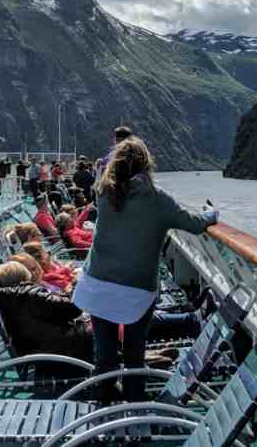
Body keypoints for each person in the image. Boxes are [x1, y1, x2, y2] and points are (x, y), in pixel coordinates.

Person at [73, 136, 218, 402]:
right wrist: (211, 213)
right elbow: (195, 223)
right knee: (133, 355)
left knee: (103, 354)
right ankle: (135, 409)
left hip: (96, 284)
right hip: (136, 290)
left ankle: (103, 408)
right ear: (146, 164)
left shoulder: (104, 193)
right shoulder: (157, 199)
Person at [0, 261, 93, 362]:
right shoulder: (29, 294)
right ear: (23, 274)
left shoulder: (10, 299)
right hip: (66, 348)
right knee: (103, 325)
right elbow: (73, 309)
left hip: (42, 352)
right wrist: (76, 284)